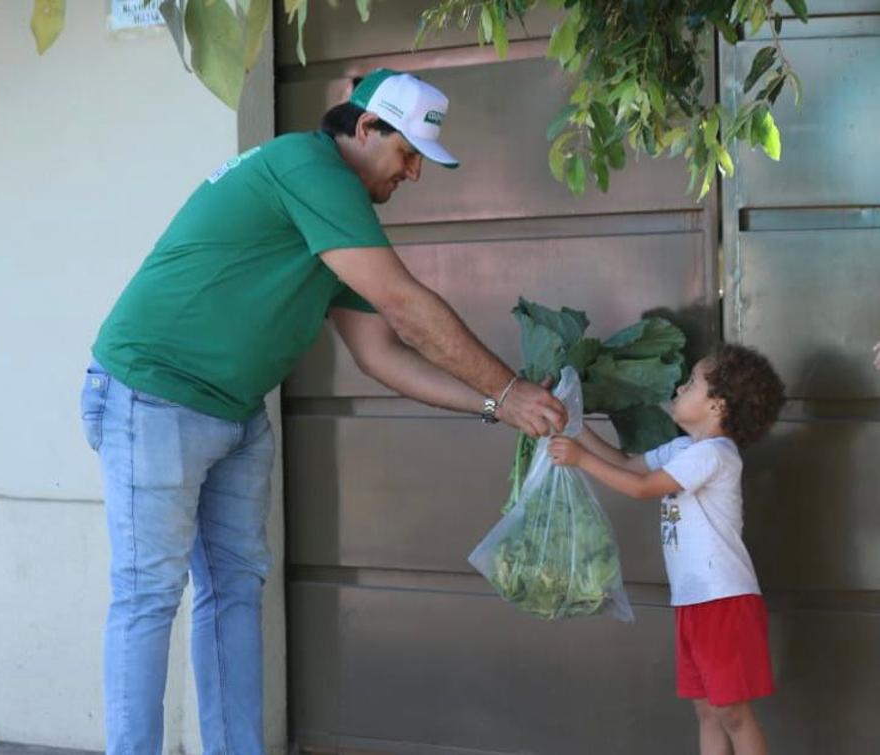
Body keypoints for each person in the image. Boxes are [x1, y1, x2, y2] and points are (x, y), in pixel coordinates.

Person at [79, 68, 566, 754]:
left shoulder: (341, 217)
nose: (414, 175)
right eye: (407, 155)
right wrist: (510, 387)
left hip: (235, 411)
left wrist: (494, 402)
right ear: (365, 129)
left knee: (233, 591)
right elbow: (405, 306)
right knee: (149, 594)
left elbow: (381, 355)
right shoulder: (305, 167)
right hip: (150, 394)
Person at [548, 344, 785, 755]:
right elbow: (624, 463)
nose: (680, 386)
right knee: (708, 712)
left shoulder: (715, 455)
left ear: (717, 405)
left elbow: (641, 488)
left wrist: (580, 460)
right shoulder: (684, 450)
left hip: (723, 601)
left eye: (691, 382)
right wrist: (572, 423)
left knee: (732, 714)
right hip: (694, 601)